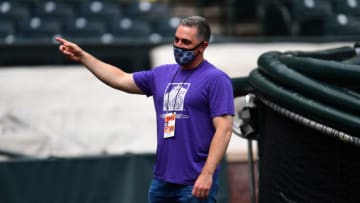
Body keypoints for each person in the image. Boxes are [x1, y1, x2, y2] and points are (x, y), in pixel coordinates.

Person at [56, 16, 234, 203]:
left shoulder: (216, 79)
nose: (179, 46)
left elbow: (224, 130)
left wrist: (207, 174)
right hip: (162, 181)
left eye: (186, 42)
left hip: (195, 182)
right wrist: (83, 57)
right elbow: (119, 78)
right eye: (176, 40)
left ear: (203, 46)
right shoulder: (161, 74)